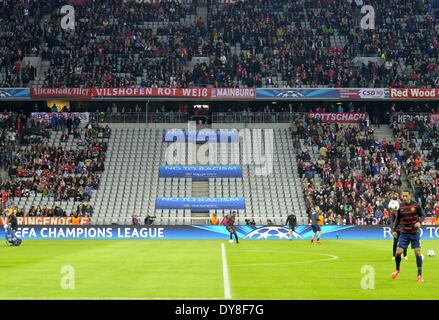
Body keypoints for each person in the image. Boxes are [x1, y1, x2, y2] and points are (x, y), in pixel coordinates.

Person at [391, 190, 424, 283]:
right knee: (398, 253)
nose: (404, 198)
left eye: (406, 196)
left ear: (410, 196)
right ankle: (397, 269)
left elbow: (423, 215)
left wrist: (419, 222)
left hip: (414, 233)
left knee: (417, 253)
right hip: (404, 233)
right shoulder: (400, 206)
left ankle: (419, 275)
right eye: (403, 196)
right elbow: (397, 219)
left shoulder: (416, 205)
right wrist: (394, 230)